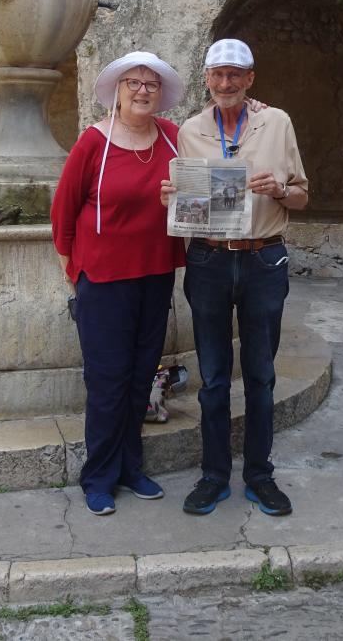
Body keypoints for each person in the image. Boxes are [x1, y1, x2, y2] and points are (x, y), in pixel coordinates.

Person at [161, 38, 309, 518]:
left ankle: (260, 475)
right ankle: (213, 475)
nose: (225, 83)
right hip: (209, 260)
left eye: (234, 75)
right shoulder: (190, 131)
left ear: (250, 79)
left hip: (264, 259)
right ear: (207, 79)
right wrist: (174, 197)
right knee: (214, 376)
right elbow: (191, 201)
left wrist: (282, 190)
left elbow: (303, 196)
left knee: (262, 374)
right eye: (217, 74)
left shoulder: (278, 121)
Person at [51, 51, 186, 516]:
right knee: (107, 380)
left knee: (138, 377)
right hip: (104, 279)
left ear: (161, 94)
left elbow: (214, 164)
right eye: (134, 82)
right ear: (118, 90)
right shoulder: (93, 142)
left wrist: (254, 110)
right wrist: (75, 272)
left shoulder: (171, 137)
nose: (143, 90)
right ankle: (99, 477)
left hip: (155, 273)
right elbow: (62, 214)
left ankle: (131, 467)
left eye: (151, 84)